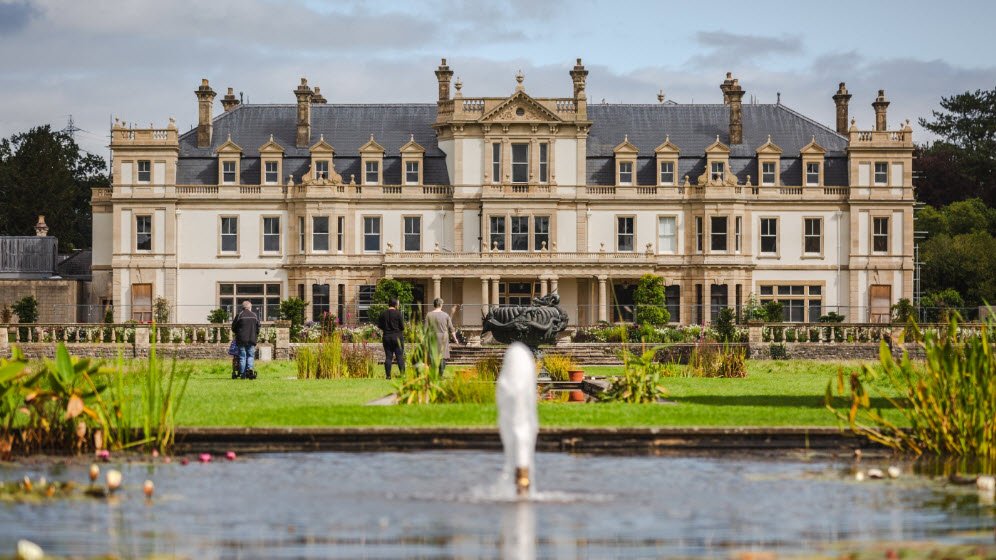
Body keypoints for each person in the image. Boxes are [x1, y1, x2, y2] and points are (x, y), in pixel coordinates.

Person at [426, 298, 459, 376]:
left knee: (433, 355)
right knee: (442, 356)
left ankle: (433, 373)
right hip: (443, 338)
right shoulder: (445, 315)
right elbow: (451, 329)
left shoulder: (429, 315)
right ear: (441, 305)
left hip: (432, 338)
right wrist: (455, 339)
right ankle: (441, 374)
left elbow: (425, 329)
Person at [231, 300, 260, 380]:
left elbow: (233, 328)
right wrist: (255, 334)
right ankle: (249, 370)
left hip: (241, 340)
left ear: (242, 308)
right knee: (250, 356)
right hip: (252, 339)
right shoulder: (254, 315)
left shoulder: (239, 315)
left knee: (242, 357)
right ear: (250, 307)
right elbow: (258, 328)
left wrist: (238, 333)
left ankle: (243, 374)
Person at [377, 297, 404, 379]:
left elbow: (379, 326)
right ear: (395, 304)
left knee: (388, 357)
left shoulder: (383, 313)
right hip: (397, 337)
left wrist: (386, 329)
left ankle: (388, 376)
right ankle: (402, 375)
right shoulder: (398, 313)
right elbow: (402, 327)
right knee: (399, 356)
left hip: (387, 337)